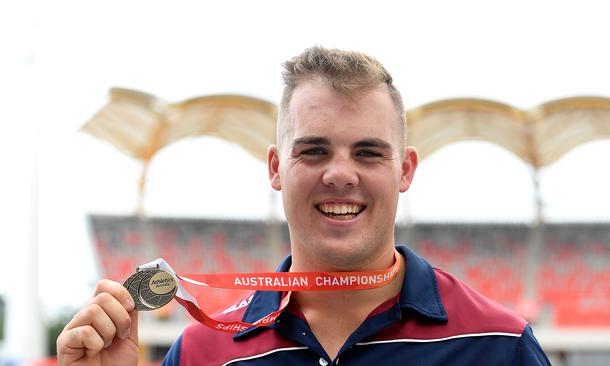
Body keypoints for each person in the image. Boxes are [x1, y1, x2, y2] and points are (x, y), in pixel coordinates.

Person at [57, 46, 551, 365]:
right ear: (275, 167)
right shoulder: (201, 353)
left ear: (405, 170)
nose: (340, 173)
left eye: (369, 152)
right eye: (313, 150)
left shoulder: (498, 346)